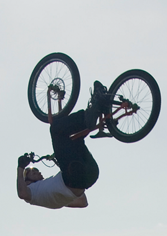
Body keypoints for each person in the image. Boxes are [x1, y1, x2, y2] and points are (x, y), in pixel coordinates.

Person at [16, 81, 113, 210]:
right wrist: (21, 168)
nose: (36, 170)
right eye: (32, 172)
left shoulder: (50, 197)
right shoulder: (32, 193)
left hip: (90, 175)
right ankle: (87, 116)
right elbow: (22, 193)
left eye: (34, 169)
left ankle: (101, 105)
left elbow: (83, 202)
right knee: (55, 130)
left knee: (75, 138)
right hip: (74, 177)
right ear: (27, 182)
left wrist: (66, 198)